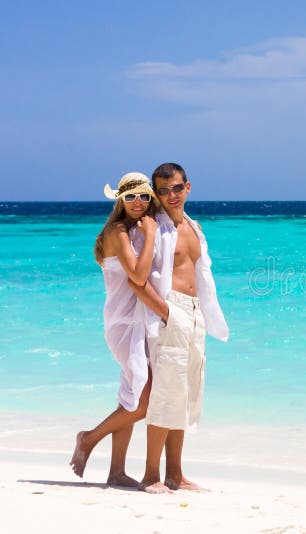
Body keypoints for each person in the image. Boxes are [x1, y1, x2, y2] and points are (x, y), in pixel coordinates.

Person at [129, 163, 229, 494]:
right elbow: (137, 281)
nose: (171, 195)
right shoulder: (151, 228)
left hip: (195, 312)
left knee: (185, 394)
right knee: (165, 394)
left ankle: (175, 474)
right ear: (156, 194)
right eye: (163, 190)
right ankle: (150, 475)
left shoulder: (193, 227)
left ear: (188, 187)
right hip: (170, 311)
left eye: (176, 188)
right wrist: (167, 312)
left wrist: (199, 313)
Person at [70, 173, 160, 485]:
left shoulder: (132, 230)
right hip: (122, 323)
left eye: (145, 197)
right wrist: (151, 236)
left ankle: (117, 472)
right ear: (120, 200)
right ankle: (89, 438)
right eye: (132, 196)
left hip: (136, 321)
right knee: (143, 401)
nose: (139, 202)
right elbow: (137, 276)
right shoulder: (119, 231)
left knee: (130, 397)